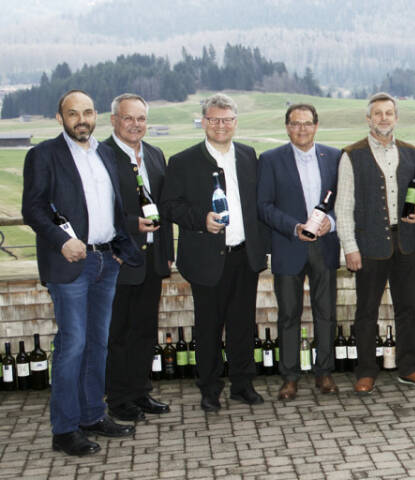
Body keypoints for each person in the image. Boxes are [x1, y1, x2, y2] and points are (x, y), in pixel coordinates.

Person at [23, 89, 143, 456]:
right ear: (60, 119)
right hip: (71, 262)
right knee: (72, 346)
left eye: (87, 112)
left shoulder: (106, 153)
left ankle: (93, 415)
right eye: (73, 113)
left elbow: (115, 207)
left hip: (106, 262)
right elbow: (34, 209)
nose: (81, 119)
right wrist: (62, 241)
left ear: (95, 116)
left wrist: (120, 249)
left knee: (97, 344)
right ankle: (65, 429)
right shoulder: (43, 155)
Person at [159, 93, 271, 411]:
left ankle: (242, 384)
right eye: (213, 119)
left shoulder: (249, 156)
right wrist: (200, 220)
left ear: (235, 122)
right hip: (206, 259)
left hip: (244, 255)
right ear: (204, 122)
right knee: (208, 328)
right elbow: (169, 206)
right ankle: (209, 389)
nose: (220, 125)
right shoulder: (183, 161)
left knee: (242, 324)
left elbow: (258, 207)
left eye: (226, 120)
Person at [335, 92, 415, 392]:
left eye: (389, 113)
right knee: (367, 310)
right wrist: (349, 247)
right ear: (368, 118)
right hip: (369, 245)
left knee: (407, 309)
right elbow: (343, 206)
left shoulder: (411, 152)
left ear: (396, 117)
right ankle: (366, 370)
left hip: (406, 242)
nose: (383, 118)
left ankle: (408, 367)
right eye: (377, 114)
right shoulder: (352, 154)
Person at [257, 103, 341, 401]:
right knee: (289, 315)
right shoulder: (270, 159)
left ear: (316, 125)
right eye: (295, 123)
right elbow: (264, 206)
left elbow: (343, 201)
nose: (301, 129)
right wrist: (295, 227)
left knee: (326, 313)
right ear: (287, 126)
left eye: (307, 123)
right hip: (288, 246)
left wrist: (329, 223)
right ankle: (290, 377)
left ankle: (324, 373)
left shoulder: (334, 156)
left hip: (324, 246)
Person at [101, 93, 174, 421]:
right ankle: (118, 399)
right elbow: (97, 210)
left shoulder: (156, 155)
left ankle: (141, 391)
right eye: (128, 118)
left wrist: (168, 253)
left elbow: (166, 209)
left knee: (145, 330)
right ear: (114, 120)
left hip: (153, 260)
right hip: (120, 259)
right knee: (118, 333)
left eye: (141, 119)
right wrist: (131, 224)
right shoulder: (102, 155)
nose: (135, 125)